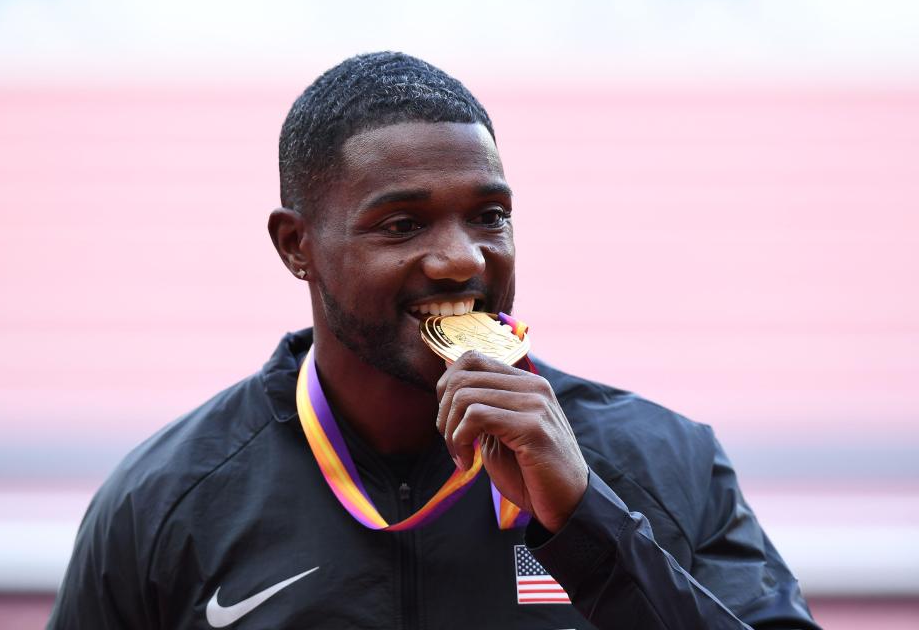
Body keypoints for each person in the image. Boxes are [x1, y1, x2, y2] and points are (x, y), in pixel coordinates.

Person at [48, 52, 821, 630]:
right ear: (297, 246)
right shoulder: (163, 502)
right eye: (403, 224)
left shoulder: (665, 463)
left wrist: (589, 524)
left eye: (489, 214)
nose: (463, 258)